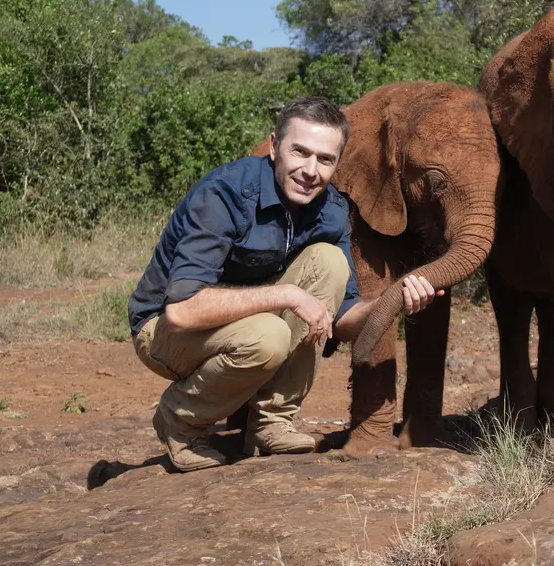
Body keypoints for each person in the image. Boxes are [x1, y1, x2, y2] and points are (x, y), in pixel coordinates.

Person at [128, 96, 442, 472]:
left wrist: (391, 302)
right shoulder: (225, 194)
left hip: (243, 327)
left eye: (325, 159)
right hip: (162, 331)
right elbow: (181, 312)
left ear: (338, 163)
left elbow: (338, 320)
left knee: (327, 262)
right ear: (275, 146)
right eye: (300, 152)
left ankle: (272, 419)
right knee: (269, 335)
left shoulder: (331, 210)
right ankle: (180, 420)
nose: (311, 170)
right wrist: (288, 294)